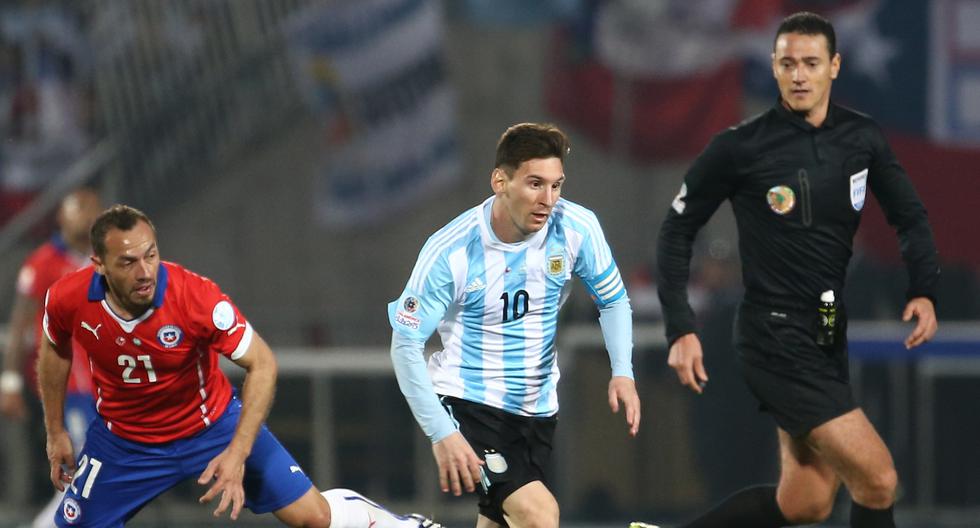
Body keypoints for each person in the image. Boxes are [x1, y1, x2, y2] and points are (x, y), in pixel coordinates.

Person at [634, 11, 940, 528]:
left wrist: (924, 289)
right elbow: (676, 233)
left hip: (825, 335)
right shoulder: (740, 147)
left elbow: (908, 216)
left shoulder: (861, 139)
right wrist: (681, 326)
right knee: (879, 478)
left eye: (811, 63)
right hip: (773, 337)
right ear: (774, 68)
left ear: (834, 67)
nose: (799, 74)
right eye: (787, 63)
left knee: (806, 504)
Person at [38, 204, 441, 528]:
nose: (144, 272)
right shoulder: (67, 298)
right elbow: (55, 349)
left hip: (210, 428)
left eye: (151, 255)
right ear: (99, 265)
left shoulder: (196, 299)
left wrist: (237, 452)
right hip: (124, 441)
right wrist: (55, 431)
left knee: (312, 518)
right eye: (127, 262)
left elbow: (262, 363)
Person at [388, 123, 642, 528]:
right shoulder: (451, 251)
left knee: (503, 523)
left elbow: (613, 300)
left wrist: (623, 374)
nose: (548, 200)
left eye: (557, 186)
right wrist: (442, 432)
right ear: (500, 181)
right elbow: (404, 345)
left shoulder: (576, 228)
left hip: (537, 410)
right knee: (540, 515)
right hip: (469, 404)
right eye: (535, 184)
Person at [2, 187, 101, 528]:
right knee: (81, 473)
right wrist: (10, 382)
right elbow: (18, 326)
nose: (86, 216)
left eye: (91, 209)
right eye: (78, 208)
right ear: (60, 216)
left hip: (104, 383)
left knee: (92, 476)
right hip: (65, 384)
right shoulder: (43, 262)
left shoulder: (103, 262)